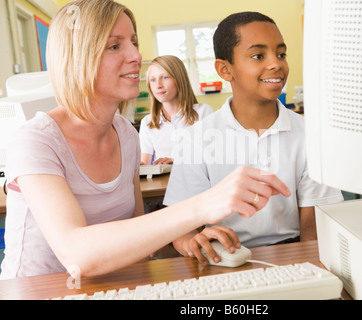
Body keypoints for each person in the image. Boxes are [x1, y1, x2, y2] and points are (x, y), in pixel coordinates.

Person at [0, 1, 291, 280]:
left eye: (134, 42)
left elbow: (139, 240)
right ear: (78, 58)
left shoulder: (125, 134)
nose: (136, 56)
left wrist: (191, 241)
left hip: (112, 288)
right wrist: (202, 206)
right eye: (115, 46)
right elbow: (77, 254)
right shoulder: (35, 141)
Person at [163, 12, 344, 265]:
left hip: (293, 255)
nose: (276, 64)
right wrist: (192, 242)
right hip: (222, 259)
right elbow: (180, 227)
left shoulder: (309, 134)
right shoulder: (197, 139)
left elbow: (313, 230)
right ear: (225, 69)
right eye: (258, 56)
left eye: (281, 54)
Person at [139, 55, 213, 165]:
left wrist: (177, 162)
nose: (158, 85)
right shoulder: (147, 123)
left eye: (164, 77)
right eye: (153, 80)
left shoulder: (203, 112)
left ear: (179, 79)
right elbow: (144, 163)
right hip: (162, 182)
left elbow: (212, 156)